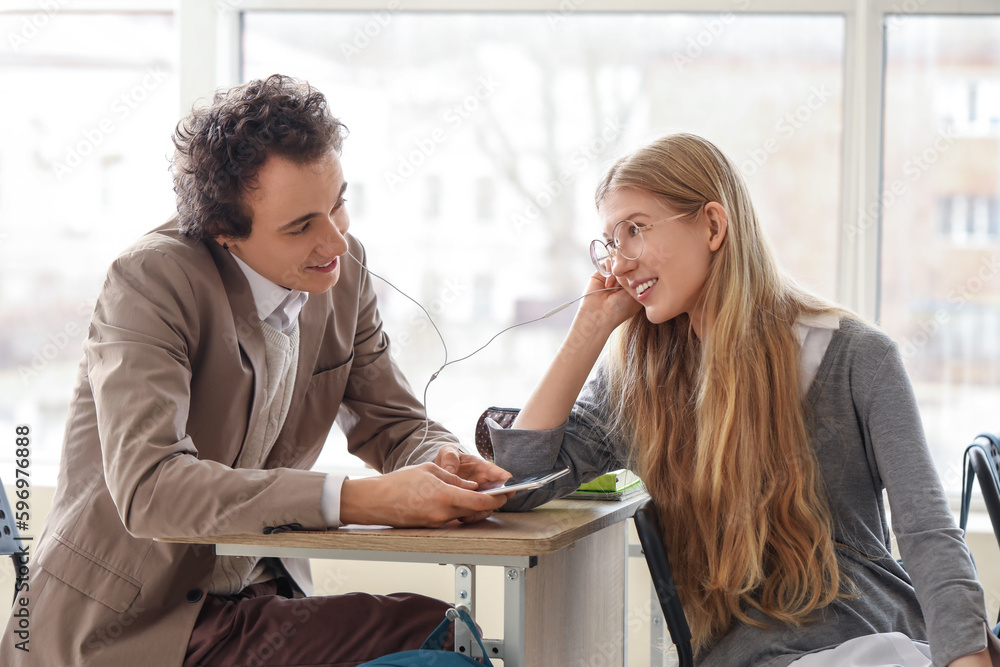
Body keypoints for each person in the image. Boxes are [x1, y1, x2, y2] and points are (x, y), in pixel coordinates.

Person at [0, 74, 511, 667]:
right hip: (133, 626)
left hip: (256, 598)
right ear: (224, 233)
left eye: (339, 203)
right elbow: (151, 489)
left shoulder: (342, 271)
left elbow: (393, 423)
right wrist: (360, 500)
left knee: (437, 632)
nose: (336, 242)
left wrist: (441, 463)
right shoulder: (152, 281)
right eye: (300, 226)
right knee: (434, 643)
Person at [485, 133, 1000, 666]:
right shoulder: (638, 383)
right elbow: (521, 481)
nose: (618, 265)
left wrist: (969, 659)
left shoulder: (856, 357)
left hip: (883, 641)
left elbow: (928, 532)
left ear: (712, 225)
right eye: (610, 242)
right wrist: (588, 330)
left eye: (635, 230)